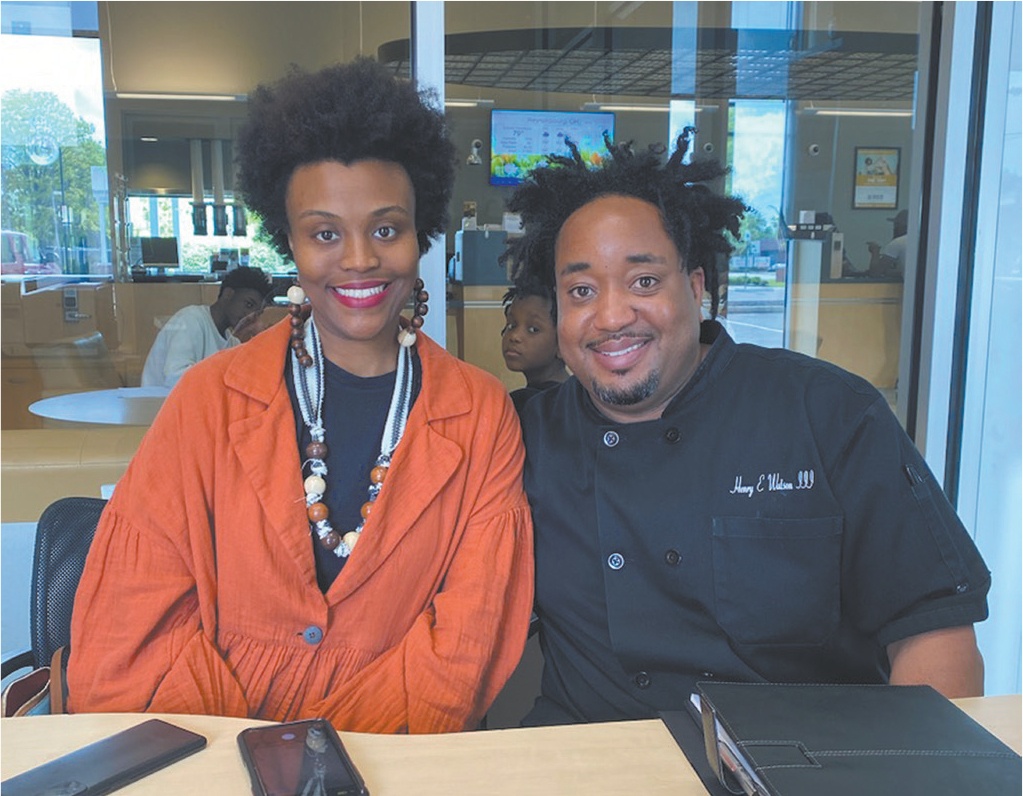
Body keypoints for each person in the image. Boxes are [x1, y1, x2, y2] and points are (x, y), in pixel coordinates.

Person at [68, 58, 534, 734]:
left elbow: (464, 646)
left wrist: (328, 760)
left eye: (385, 228)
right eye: (324, 233)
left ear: (420, 232)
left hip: (395, 755)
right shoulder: (209, 400)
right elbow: (130, 623)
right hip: (210, 754)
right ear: (287, 240)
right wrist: (254, 756)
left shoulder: (481, 416)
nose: (359, 259)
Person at [503, 130, 990, 727]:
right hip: (587, 754)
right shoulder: (520, 437)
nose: (611, 316)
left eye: (644, 281)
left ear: (697, 288)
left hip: (800, 758)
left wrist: (908, 769)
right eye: (581, 291)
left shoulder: (828, 413)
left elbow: (934, 633)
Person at [140, 266, 273, 388]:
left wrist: (260, 341)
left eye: (257, 313)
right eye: (249, 305)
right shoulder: (191, 319)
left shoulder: (231, 341)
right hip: (159, 403)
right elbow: (175, 377)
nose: (250, 316)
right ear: (228, 294)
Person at [500, 281, 568, 415]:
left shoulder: (528, 406)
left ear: (563, 343)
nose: (514, 336)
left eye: (533, 329)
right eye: (511, 325)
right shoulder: (579, 397)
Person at [867, 208, 908, 277]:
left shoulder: (898, 242)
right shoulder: (920, 240)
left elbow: (875, 272)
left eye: (896, 224)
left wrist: (875, 252)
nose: (894, 227)